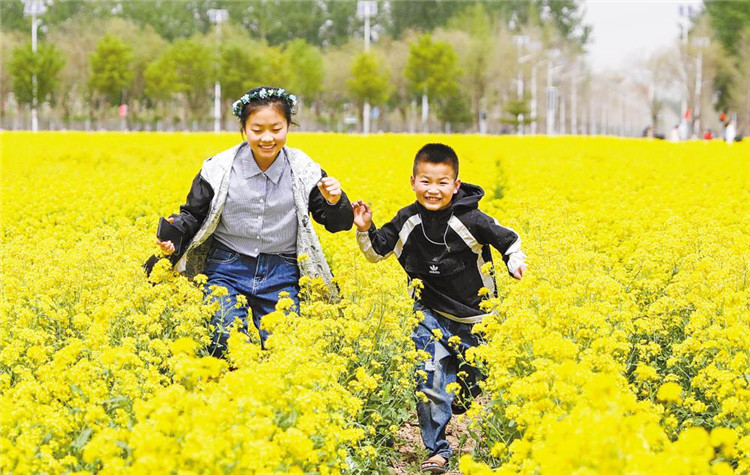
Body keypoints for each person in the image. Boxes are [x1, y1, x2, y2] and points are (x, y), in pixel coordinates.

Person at [351, 144, 527, 474]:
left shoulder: (471, 218)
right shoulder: (408, 219)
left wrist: (514, 261)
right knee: (429, 378)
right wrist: (364, 228)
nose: (433, 190)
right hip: (428, 312)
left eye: (442, 182)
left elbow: (508, 239)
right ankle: (437, 451)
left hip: (476, 316)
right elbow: (377, 252)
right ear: (413, 181)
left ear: (456, 185)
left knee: (474, 381)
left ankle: (459, 398)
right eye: (426, 182)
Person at [153, 86, 354, 355]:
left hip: (281, 270)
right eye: (257, 130)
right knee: (225, 335)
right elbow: (193, 214)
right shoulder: (218, 168)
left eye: (276, 128)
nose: (267, 138)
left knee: (283, 348)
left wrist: (334, 200)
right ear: (244, 130)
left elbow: (336, 223)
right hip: (226, 267)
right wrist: (174, 233)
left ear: (288, 127)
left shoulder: (305, 169)